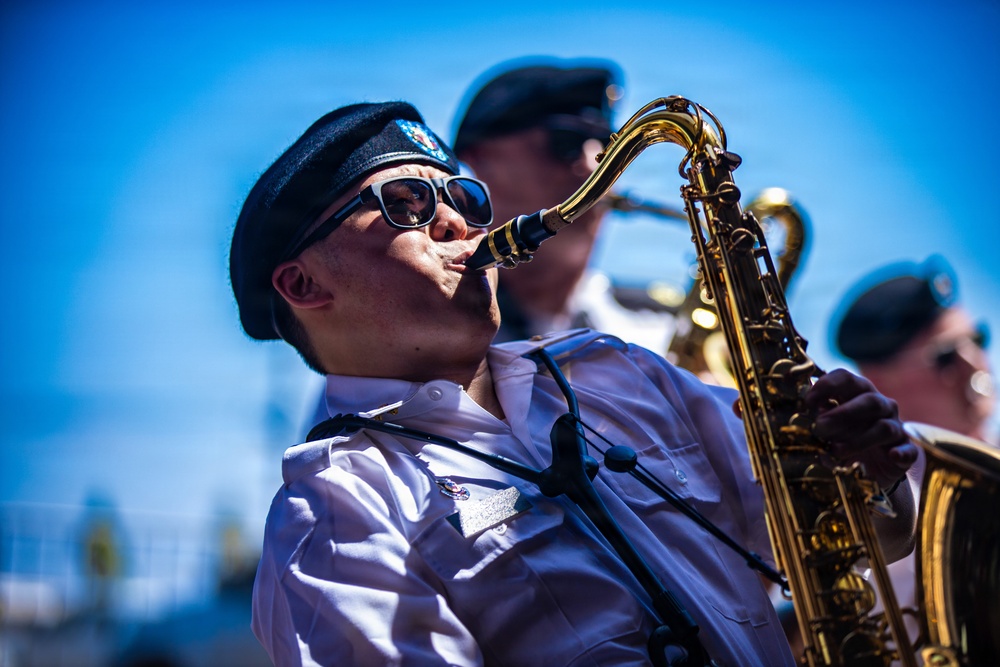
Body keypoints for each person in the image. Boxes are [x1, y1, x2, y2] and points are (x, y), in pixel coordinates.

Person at [230, 101, 918, 666]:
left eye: (465, 196)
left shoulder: (620, 370)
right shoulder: (337, 508)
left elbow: (853, 539)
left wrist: (867, 478)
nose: (461, 222)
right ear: (303, 283)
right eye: (407, 204)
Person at [830, 255, 996, 651]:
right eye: (945, 357)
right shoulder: (864, 497)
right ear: (876, 381)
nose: (974, 365)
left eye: (977, 342)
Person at [453, 58, 678, 349]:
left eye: (608, 149)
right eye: (565, 142)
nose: (593, 167)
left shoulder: (663, 327)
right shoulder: (428, 328)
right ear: (481, 157)